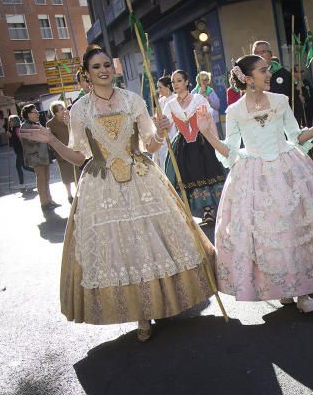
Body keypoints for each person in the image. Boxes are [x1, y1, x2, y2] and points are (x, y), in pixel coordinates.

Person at [19, 45, 220, 342]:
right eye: (96, 67)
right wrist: (51, 139)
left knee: (154, 240)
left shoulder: (132, 100)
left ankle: (167, 299)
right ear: (87, 74)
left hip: (141, 177)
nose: (103, 70)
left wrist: (162, 133)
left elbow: (149, 146)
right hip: (102, 184)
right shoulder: (80, 110)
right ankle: (142, 312)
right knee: (122, 247)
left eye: (106, 65)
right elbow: (78, 157)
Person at [207, 55, 313, 314]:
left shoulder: (280, 101)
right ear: (247, 78)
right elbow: (230, 153)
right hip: (254, 176)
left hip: (288, 169)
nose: (269, 74)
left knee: (293, 229)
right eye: (263, 70)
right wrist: (207, 133)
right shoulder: (234, 111)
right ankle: (284, 287)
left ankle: (302, 291)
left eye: (268, 69)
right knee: (268, 237)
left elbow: (296, 136)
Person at [163, 69, 226, 226]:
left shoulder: (198, 99)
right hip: (182, 146)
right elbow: (167, 127)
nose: (175, 84)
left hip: (201, 142)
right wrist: (160, 126)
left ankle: (209, 211)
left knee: (205, 173)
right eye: (173, 82)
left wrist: (216, 141)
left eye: (178, 80)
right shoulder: (169, 104)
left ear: (186, 82)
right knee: (186, 177)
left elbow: (209, 119)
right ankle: (189, 214)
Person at [252, 40, 309, 125]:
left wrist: (294, 122)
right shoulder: (250, 78)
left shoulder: (284, 74)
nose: (260, 55)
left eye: (263, 52)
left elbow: (295, 101)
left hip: (283, 125)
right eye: (256, 53)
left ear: (270, 55)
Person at [19, 105, 58, 209]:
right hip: (36, 156)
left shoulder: (36, 124)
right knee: (41, 178)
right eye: (35, 112)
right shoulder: (25, 126)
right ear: (28, 114)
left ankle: (49, 199)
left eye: (37, 111)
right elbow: (31, 141)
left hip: (44, 155)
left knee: (46, 178)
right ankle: (44, 203)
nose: (37, 113)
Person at [45, 100, 77, 203]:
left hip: (73, 149)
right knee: (66, 175)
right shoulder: (50, 124)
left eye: (64, 108)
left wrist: (69, 123)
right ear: (56, 112)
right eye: (61, 109)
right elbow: (51, 139)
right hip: (62, 152)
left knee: (77, 173)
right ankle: (69, 195)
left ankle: (78, 193)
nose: (64, 110)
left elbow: (76, 132)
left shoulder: (69, 119)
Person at [7, 115, 35, 190]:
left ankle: (21, 183)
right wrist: (10, 137)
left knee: (18, 166)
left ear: (15, 121)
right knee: (24, 166)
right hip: (19, 151)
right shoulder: (13, 129)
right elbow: (12, 143)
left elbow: (20, 140)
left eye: (11, 121)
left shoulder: (17, 129)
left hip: (21, 151)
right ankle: (38, 172)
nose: (9, 123)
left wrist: (11, 137)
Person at [155, 75, 173, 172]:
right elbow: (158, 115)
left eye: (160, 87)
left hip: (172, 130)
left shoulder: (174, 99)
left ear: (168, 87)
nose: (158, 90)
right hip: (162, 130)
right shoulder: (160, 101)